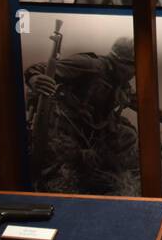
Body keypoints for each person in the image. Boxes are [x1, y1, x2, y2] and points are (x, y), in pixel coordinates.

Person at [23, 36, 138, 192]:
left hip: (91, 130)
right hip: (65, 128)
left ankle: (104, 177)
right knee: (61, 174)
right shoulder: (90, 65)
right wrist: (35, 78)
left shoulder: (120, 82)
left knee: (127, 134)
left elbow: (137, 102)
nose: (135, 73)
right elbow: (39, 69)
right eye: (134, 66)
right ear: (121, 62)